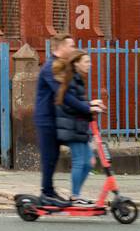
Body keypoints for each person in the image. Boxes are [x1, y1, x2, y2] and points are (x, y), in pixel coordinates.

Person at [53, 49, 106, 206]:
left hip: (79, 127)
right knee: (79, 161)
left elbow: (79, 103)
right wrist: (90, 105)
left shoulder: (78, 79)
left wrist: (91, 104)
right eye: (86, 62)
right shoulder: (70, 80)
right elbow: (69, 105)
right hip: (70, 127)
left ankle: (76, 195)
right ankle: (75, 196)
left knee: (89, 162)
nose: (90, 65)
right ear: (76, 63)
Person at [33, 34, 76, 203]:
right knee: (49, 157)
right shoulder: (50, 67)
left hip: (54, 118)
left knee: (53, 156)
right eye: (70, 46)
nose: (73, 49)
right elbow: (62, 94)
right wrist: (86, 107)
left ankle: (49, 191)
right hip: (46, 119)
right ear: (61, 47)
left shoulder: (60, 66)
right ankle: (46, 193)